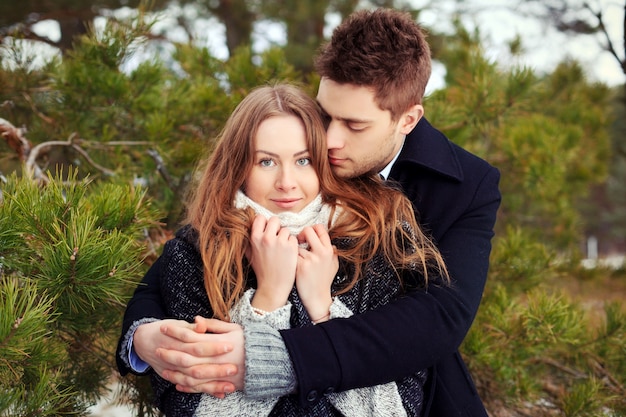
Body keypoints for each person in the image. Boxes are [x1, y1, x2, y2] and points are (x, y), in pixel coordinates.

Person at [116, 8, 501, 416]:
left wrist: (272, 356)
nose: (328, 141)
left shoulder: (462, 187)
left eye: (353, 125)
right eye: (324, 114)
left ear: (407, 119)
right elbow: (175, 270)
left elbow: (438, 319)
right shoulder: (297, 149)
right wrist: (142, 338)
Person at [124, 83, 448, 416]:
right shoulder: (196, 254)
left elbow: (398, 408)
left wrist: (323, 309)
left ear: (324, 160)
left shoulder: (376, 239)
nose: (287, 182)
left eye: (303, 160)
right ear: (238, 167)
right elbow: (189, 406)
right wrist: (268, 301)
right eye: (266, 162)